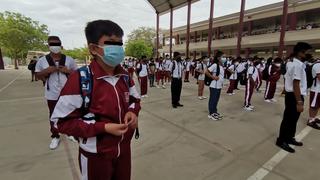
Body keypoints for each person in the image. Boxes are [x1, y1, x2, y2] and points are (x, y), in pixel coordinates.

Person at [51, 20, 141, 179]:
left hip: (123, 150)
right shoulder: (80, 79)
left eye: (120, 44)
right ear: (93, 48)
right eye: (111, 43)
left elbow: (135, 99)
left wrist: (132, 112)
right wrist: (103, 128)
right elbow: (60, 122)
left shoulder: (125, 76)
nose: (118, 48)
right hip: (95, 156)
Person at [35, 36, 78, 150]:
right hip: (52, 93)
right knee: (53, 114)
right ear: (48, 46)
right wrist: (46, 71)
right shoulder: (42, 61)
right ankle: (55, 135)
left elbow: (77, 74)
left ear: (61, 45)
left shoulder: (69, 59)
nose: (55, 46)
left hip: (68, 92)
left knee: (70, 112)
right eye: (52, 44)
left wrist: (67, 71)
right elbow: (37, 75)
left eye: (57, 43)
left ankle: (70, 132)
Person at [276, 42, 312, 153]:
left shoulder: (292, 63)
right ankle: (281, 140)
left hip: (293, 94)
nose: (308, 54)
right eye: (306, 52)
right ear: (300, 52)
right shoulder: (296, 65)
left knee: (293, 119)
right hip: (294, 95)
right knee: (288, 119)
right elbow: (296, 84)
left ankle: (289, 138)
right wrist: (300, 102)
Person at [205, 51, 224, 121]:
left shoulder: (221, 66)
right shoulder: (215, 65)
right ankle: (211, 113)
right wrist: (213, 77)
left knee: (216, 99)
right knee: (213, 99)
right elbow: (206, 71)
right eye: (222, 57)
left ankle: (214, 111)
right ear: (219, 58)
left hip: (219, 86)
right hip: (214, 86)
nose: (223, 58)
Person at [307, 57, 320, 130]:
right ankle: (310, 120)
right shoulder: (318, 65)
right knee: (313, 105)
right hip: (316, 90)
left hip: (318, 90)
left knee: (317, 105)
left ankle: (313, 118)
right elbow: (319, 77)